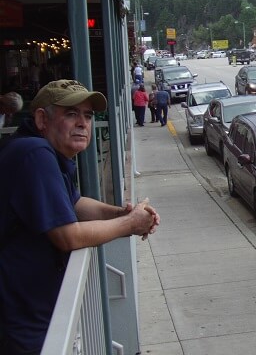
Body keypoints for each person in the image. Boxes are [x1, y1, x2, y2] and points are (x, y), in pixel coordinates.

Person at [0, 79, 160, 354]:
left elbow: (74, 203)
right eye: (71, 114)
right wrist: (129, 224)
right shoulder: (34, 154)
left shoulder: (48, 152)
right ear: (41, 119)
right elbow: (67, 236)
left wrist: (121, 212)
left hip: (31, 309)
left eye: (88, 115)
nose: (83, 123)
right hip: (22, 319)